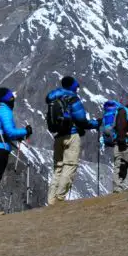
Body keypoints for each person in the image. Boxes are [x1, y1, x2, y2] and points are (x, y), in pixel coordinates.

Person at [46, 76, 99, 204]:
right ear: (71, 86)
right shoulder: (72, 98)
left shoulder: (54, 99)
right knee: (70, 166)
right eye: (76, 85)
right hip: (71, 135)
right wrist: (95, 123)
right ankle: (59, 198)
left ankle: (51, 200)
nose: (78, 87)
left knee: (58, 168)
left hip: (58, 136)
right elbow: (81, 120)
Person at [0, 87, 31, 217]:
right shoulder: (5, 110)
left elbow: (2, 131)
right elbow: (10, 132)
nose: (13, 99)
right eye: (11, 97)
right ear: (8, 99)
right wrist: (26, 131)